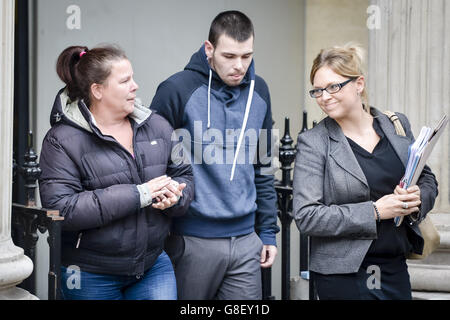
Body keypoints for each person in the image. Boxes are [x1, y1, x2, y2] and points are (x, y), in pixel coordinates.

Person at [38, 44, 194, 300]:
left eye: (132, 78)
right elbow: (61, 209)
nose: (135, 86)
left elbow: (185, 174)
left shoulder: (158, 125)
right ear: (97, 90)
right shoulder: (61, 140)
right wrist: (139, 194)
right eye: (124, 81)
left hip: (152, 265)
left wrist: (175, 196)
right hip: (89, 273)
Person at [292, 43, 439, 300]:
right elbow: (306, 216)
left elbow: (425, 177)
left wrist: (417, 199)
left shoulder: (396, 125)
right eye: (317, 90)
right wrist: (374, 211)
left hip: (394, 266)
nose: (324, 97)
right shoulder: (313, 142)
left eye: (333, 87)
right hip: (343, 275)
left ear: (359, 84)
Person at [150, 10, 279, 300]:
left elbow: (263, 167)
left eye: (246, 56)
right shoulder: (176, 89)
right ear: (209, 49)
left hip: (247, 240)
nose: (239, 66)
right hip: (191, 239)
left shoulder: (260, 92)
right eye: (229, 56)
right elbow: (151, 163)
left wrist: (267, 231)